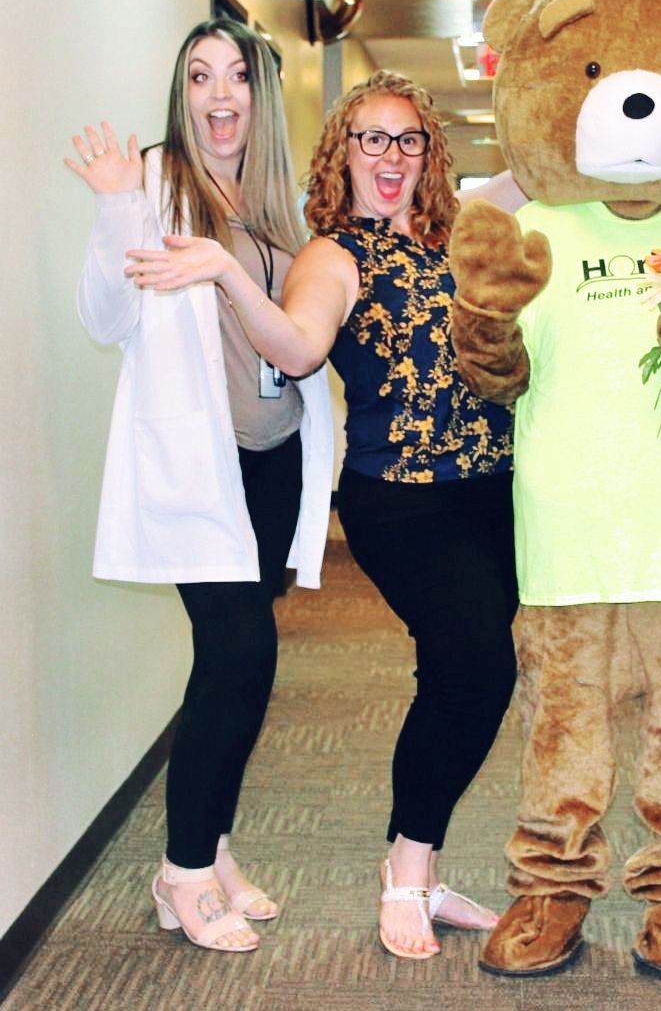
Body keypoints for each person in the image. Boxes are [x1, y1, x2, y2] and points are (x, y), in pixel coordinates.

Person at [124, 70, 518, 961]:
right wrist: (226, 269)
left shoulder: (461, 231)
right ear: (345, 152)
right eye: (371, 138)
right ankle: (407, 868)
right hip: (401, 502)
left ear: (430, 154)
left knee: (473, 679)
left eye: (409, 138)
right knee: (474, 659)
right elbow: (298, 347)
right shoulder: (332, 255)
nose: (391, 154)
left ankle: (420, 858)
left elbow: (537, 166)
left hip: (493, 490)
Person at [66, 18, 334, 952]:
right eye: (199, 77)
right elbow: (106, 316)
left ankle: (212, 850)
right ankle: (180, 873)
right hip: (198, 469)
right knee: (240, 660)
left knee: (233, 670)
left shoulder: (274, 200)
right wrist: (112, 207)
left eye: (237, 78)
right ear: (181, 94)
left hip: (272, 461)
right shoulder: (153, 179)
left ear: (261, 93)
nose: (219, 96)